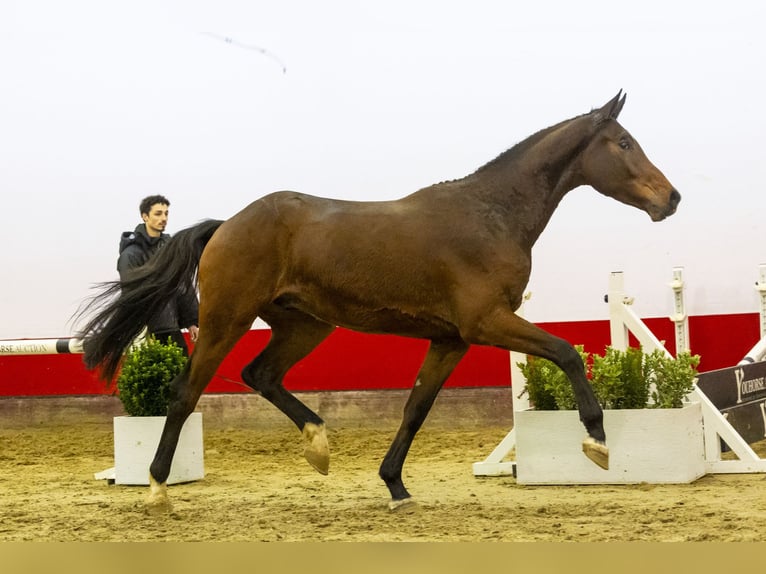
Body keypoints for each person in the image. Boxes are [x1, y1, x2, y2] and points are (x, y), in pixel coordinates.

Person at [117, 195, 199, 355]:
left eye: (166, 213)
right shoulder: (131, 254)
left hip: (171, 328)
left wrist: (191, 321)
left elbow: (182, 284)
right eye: (158, 213)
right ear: (145, 216)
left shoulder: (170, 249)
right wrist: (144, 331)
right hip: (146, 333)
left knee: (181, 373)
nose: (163, 218)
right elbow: (131, 294)